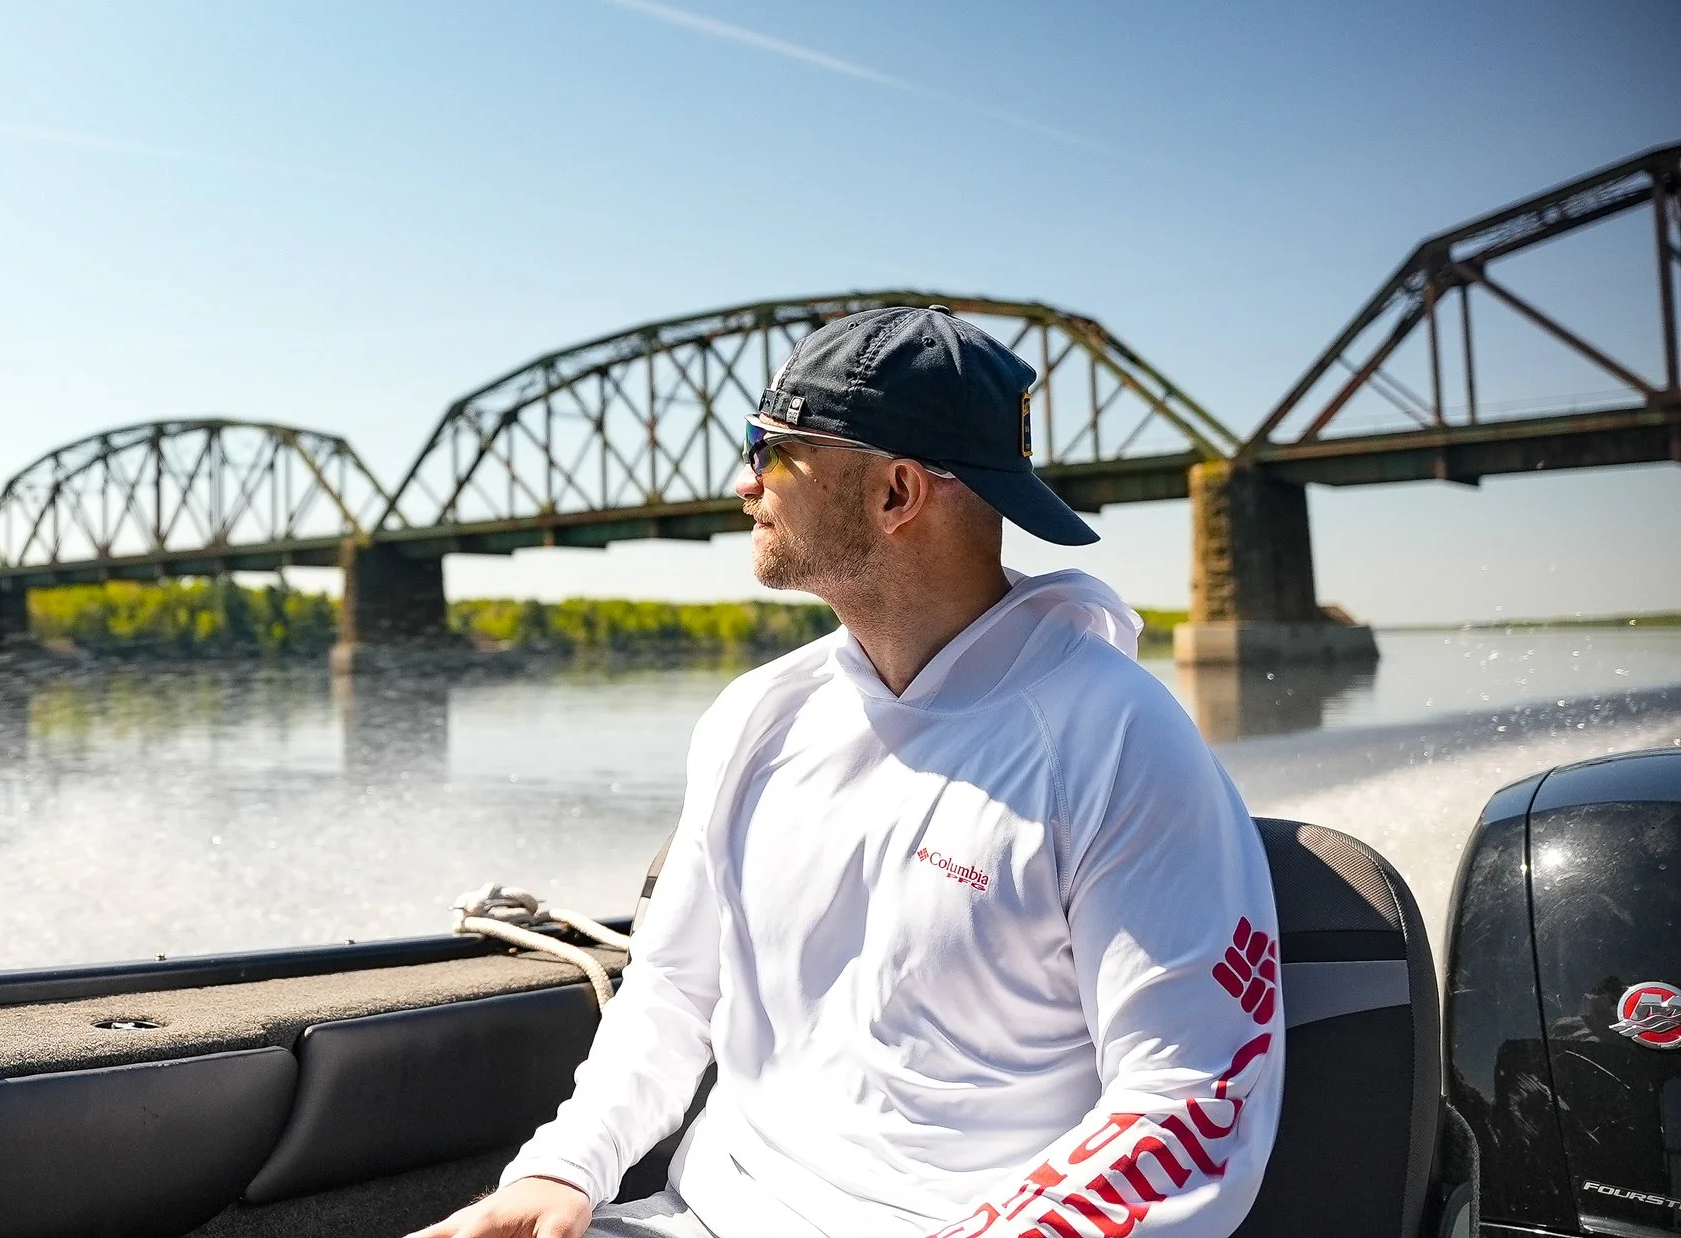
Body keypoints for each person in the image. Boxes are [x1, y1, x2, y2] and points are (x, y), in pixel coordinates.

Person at [411, 306, 1284, 1238]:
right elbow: (672, 990)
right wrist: (563, 1168)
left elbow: (1191, 1100)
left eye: (772, 447)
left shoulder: (1118, 739)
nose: (744, 481)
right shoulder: (758, 717)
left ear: (897, 492)